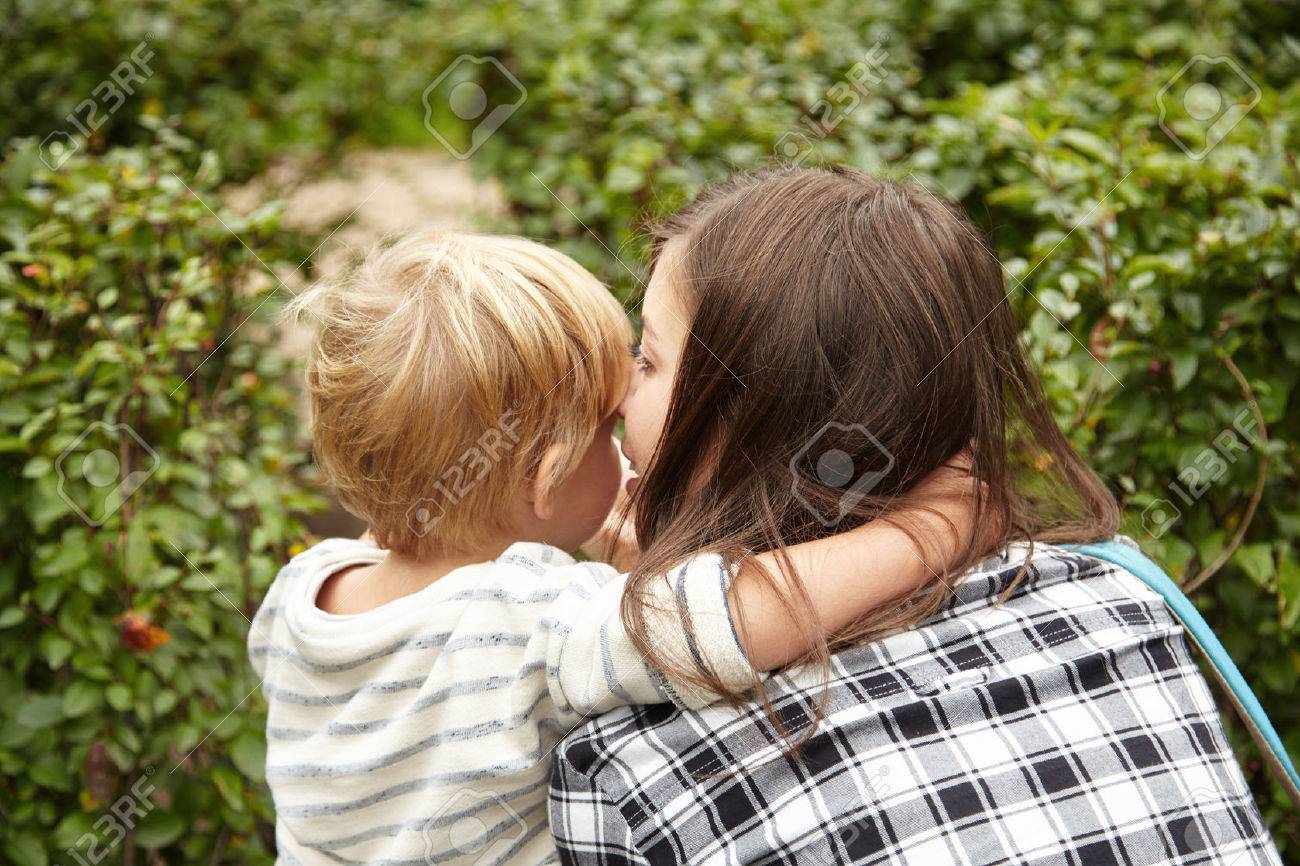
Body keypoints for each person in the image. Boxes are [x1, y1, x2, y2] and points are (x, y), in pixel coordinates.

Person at [550, 167, 1282, 864]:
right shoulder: (1122, 601)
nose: (617, 395)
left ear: (748, 420)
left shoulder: (627, 766)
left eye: (646, 360)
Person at [248, 231, 980, 864]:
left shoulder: (305, 592)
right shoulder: (532, 620)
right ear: (547, 478)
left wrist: (591, 537)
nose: (629, 422)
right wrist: (932, 530)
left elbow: (417, 524)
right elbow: (731, 620)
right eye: (605, 424)